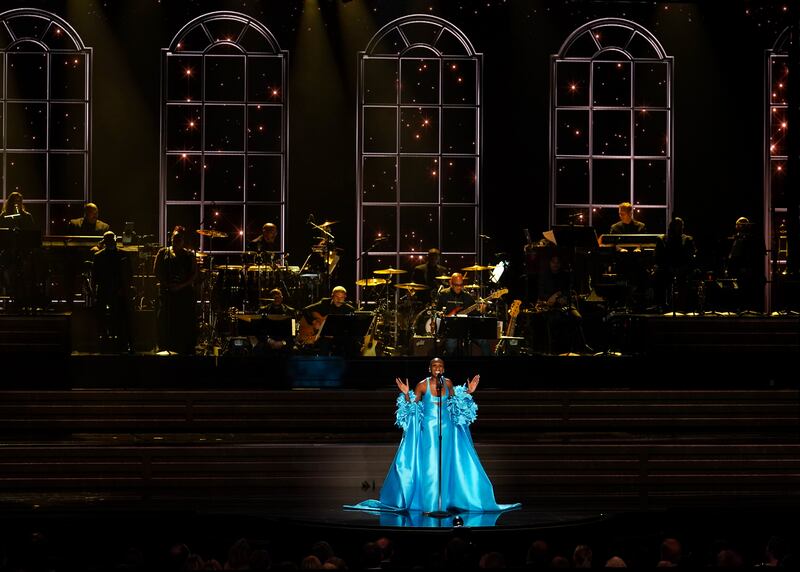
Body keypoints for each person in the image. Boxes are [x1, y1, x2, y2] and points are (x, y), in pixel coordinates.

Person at [346, 357, 519, 514]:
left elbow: (455, 404)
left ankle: (444, 504)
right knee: (431, 466)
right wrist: (406, 394)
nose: (438, 368)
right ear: (430, 369)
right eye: (434, 365)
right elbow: (412, 408)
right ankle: (430, 505)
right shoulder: (422, 385)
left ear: (443, 369)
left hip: (447, 430)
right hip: (428, 431)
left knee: (445, 465)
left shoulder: (448, 383)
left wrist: (469, 392)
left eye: (441, 366)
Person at [153, 226, 198, 354]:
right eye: (175, 238)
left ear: (183, 240)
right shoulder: (163, 252)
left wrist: (181, 286)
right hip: (167, 293)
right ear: (171, 238)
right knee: (164, 319)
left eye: (179, 238)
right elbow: (156, 271)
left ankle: (183, 347)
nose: (177, 240)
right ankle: (164, 345)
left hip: (183, 293)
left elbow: (194, 274)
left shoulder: (189, 255)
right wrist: (167, 284)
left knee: (183, 320)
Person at [537, 254, 590, 354]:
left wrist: (561, 295)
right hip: (550, 307)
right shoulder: (544, 276)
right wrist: (553, 298)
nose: (555, 264)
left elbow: (570, 290)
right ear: (549, 263)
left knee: (577, 318)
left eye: (558, 262)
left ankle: (580, 347)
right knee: (555, 321)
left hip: (565, 304)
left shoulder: (565, 275)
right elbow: (541, 293)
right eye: (553, 262)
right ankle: (555, 350)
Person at [92, 231, 134, 352]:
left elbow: (129, 274)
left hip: (112, 290)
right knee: (113, 317)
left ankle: (112, 341)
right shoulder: (122, 255)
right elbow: (129, 274)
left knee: (117, 317)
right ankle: (115, 341)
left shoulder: (99, 255)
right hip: (109, 290)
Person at [0, 192, 40, 309]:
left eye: (19, 201)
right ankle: (11, 292)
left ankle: (24, 297)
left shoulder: (27, 216)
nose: (16, 204)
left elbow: (32, 236)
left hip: (24, 253)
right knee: (7, 270)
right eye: (14, 201)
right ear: (10, 202)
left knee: (27, 270)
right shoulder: (3, 216)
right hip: (8, 252)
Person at [435, 273, 490, 356]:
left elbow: (475, 314)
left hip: (467, 328)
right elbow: (437, 312)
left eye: (461, 285)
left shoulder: (467, 297)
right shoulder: (443, 294)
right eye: (456, 285)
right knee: (451, 345)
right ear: (450, 283)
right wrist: (444, 316)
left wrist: (482, 310)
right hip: (450, 329)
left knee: (484, 341)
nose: (459, 287)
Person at [654, 217, 697, 311]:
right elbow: (658, 258)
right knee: (659, 275)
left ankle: (683, 305)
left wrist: (681, 269)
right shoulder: (662, 240)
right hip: (666, 269)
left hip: (683, 270)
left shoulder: (687, 240)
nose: (678, 230)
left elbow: (691, 259)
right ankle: (662, 304)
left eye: (680, 227)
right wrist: (669, 268)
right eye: (676, 227)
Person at [297, 285, 355, 353]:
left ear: (345, 297)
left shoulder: (349, 309)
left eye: (341, 297)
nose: (339, 300)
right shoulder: (324, 303)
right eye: (337, 297)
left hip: (337, 336)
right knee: (324, 344)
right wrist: (314, 321)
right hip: (321, 336)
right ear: (332, 296)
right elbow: (305, 310)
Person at [727, 216, 765, 312]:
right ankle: (741, 307)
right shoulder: (738, 237)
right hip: (738, 268)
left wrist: (745, 266)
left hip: (746, 268)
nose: (738, 227)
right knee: (739, 289)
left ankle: (747, 308)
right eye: (738, 225)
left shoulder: (751, 238)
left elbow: (751, 254)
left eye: (741, 225)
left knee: (746, 289)